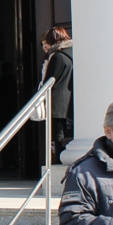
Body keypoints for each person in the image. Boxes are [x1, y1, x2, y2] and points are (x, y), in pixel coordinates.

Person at [41, 27, 73, 164]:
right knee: (64, 132)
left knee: (57, 133)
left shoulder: (57, 56)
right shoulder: (71, 55)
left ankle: (58, 160)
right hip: (68, 99)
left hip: (56, 101)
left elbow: (50, 80)